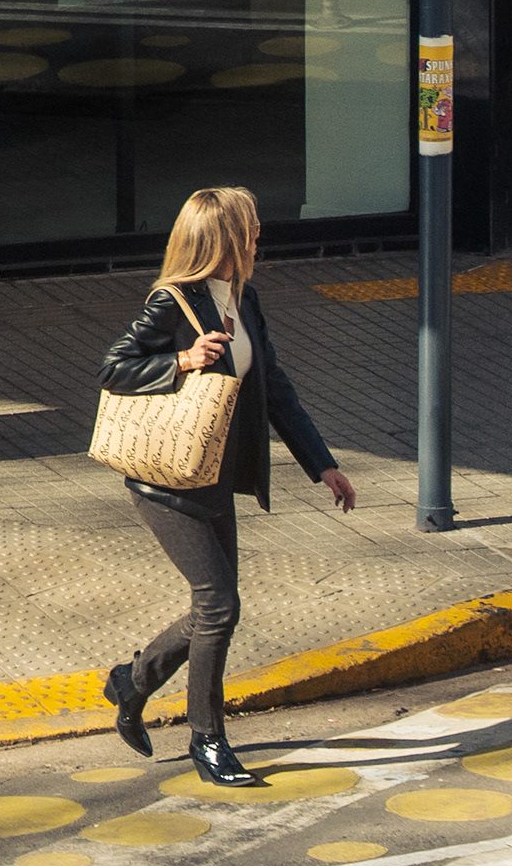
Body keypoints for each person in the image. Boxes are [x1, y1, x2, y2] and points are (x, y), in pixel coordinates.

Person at [96, 184, 359, 786]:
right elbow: (113, 367)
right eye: (252, 229)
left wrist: (322, 464)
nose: (260, 236)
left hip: (211, 475)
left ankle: (131, 682)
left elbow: (277, 390)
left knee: (214, 608)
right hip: (164, 480)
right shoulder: (171, 302)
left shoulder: (245, 299)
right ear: (226, 239)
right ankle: (207, 740)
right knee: (219, 605)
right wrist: (182, 361)